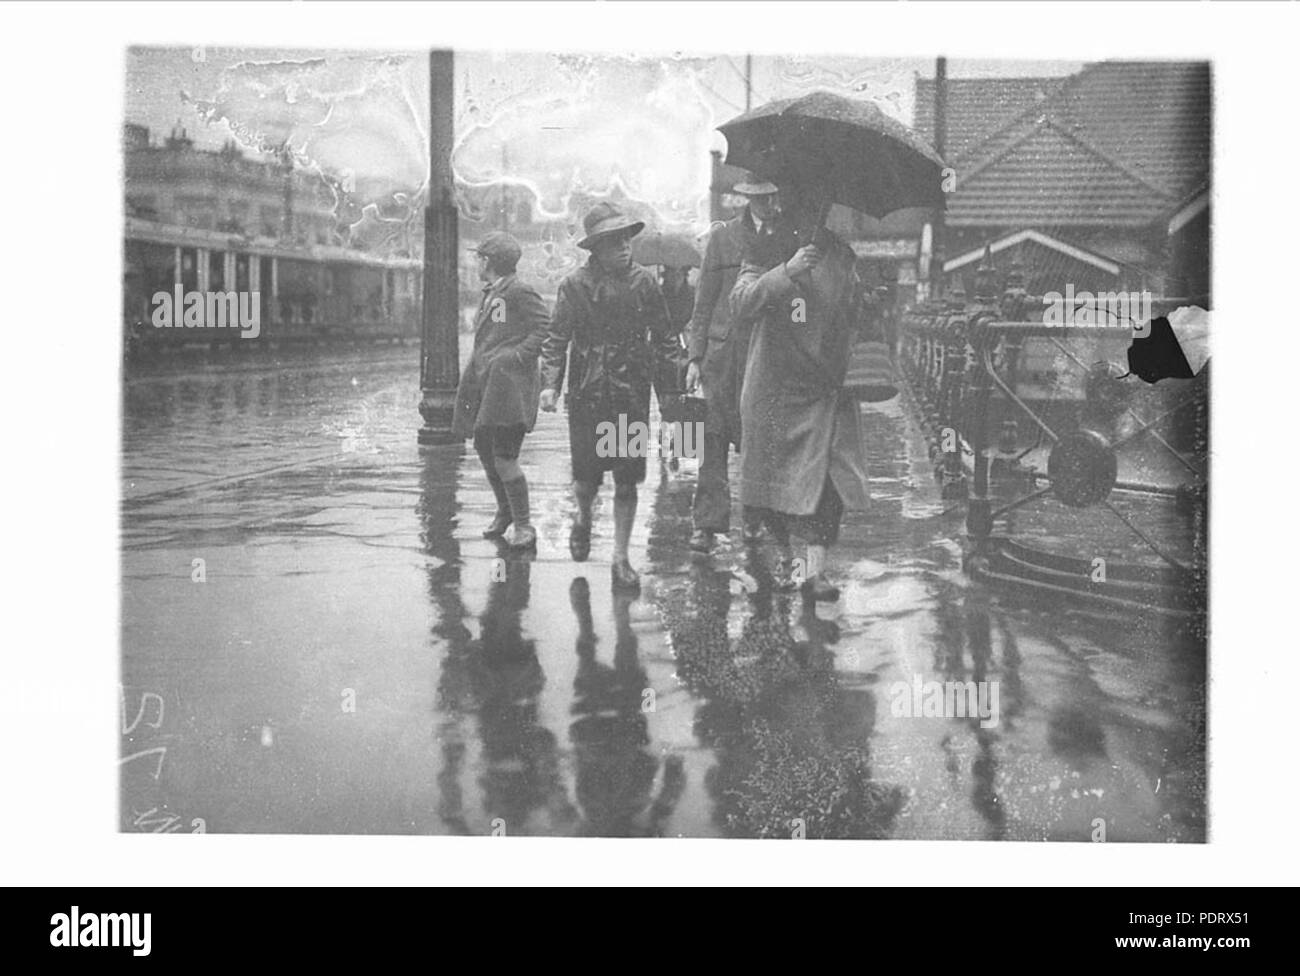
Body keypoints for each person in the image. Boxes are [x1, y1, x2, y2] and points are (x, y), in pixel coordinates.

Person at [729, 182, 873, 602]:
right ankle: (790, 559)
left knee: (826, 488)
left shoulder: (841, 256)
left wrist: (864, 304)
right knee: (775, 487)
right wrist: (787, 271)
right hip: (774, 387)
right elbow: (741, 305)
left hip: (824, 386)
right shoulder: (764, 250)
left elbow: (852, 312)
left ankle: (815, 573)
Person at [540, 202, 685, 590]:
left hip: (629, 394)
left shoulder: (644, 284)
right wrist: (550, 384)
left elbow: (665, 338)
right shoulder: (574, 286)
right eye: (614, 242)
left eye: (626, 240)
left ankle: (621, 558)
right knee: (587, 480)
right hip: (588, 393)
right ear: (597, 249)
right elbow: (557, 338)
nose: (624, 248)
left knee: (626, 478)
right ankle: (583, 519)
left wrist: (670, 392)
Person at [683, 174, 782, 555]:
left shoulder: (788, 238)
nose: (768, 203)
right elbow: (704, 300)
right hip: (721, 356)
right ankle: (708, 525)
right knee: (711, 437)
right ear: (747, 198)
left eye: (773, 196)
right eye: (760, 196)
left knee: (759, 437)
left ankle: (756, 514)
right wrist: (694, 357)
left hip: (766, 352)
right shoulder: (723, 237)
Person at [451, 232, 550, 549]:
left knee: (505, 455)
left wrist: (518, 355)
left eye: (479, 257)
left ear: (488, 261)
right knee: (483, 447)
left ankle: (524, 525)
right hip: (487, 383)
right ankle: (505, 511)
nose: (476, 262)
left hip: (509, 388)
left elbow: (545, 327)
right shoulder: (493, 292)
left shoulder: (519, 291)